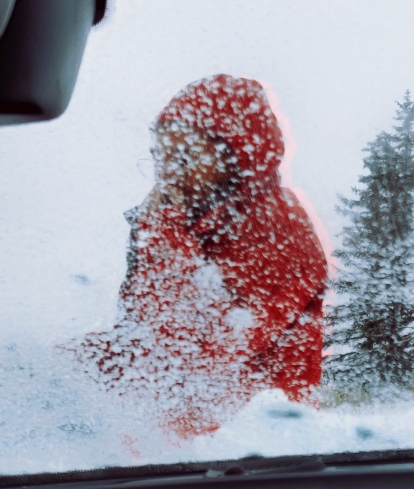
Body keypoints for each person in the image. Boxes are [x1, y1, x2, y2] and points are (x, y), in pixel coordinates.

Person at [76, 75, 329, 439]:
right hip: (169, 433)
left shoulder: (276, 225)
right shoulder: (190, 224)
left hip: (245, 446)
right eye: (159, 157)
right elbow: (138, 338)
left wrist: (161, 235)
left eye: (184, 156)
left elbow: (197, 350)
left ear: (237, 159)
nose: (167, 173)